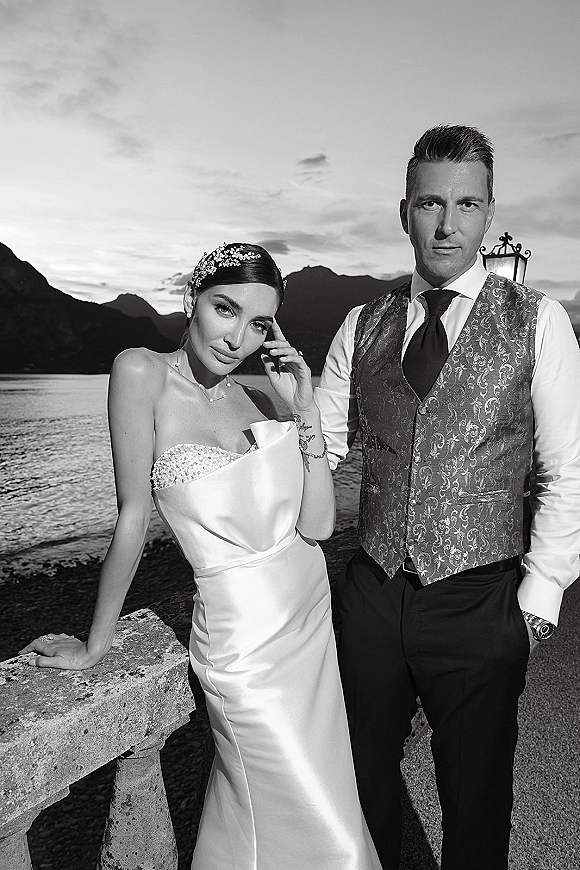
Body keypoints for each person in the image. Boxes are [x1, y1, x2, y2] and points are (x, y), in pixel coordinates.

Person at [20, 242, 381, 870]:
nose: (237, 337)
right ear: (193, 296)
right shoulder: (141, 372)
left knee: (317, 810)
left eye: (258, 324)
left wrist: (304, 408)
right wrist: (95, 644)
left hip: (309, 627)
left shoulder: (259, 399)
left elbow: (318, 525)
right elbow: (132, 514)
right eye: (225, 309)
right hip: (243, 645)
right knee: (322, 831)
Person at [315, 126, 580, 870]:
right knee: (359, 787)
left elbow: (568, 471)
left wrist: (539, 604)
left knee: (476, 803)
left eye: (467, 204)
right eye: (431, 202)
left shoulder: (539, 321)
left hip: (481, 598)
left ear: (489, 213)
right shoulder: (358, 325)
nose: (447, 223)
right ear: (405, 211)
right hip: (371, 595)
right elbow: (321, 451)